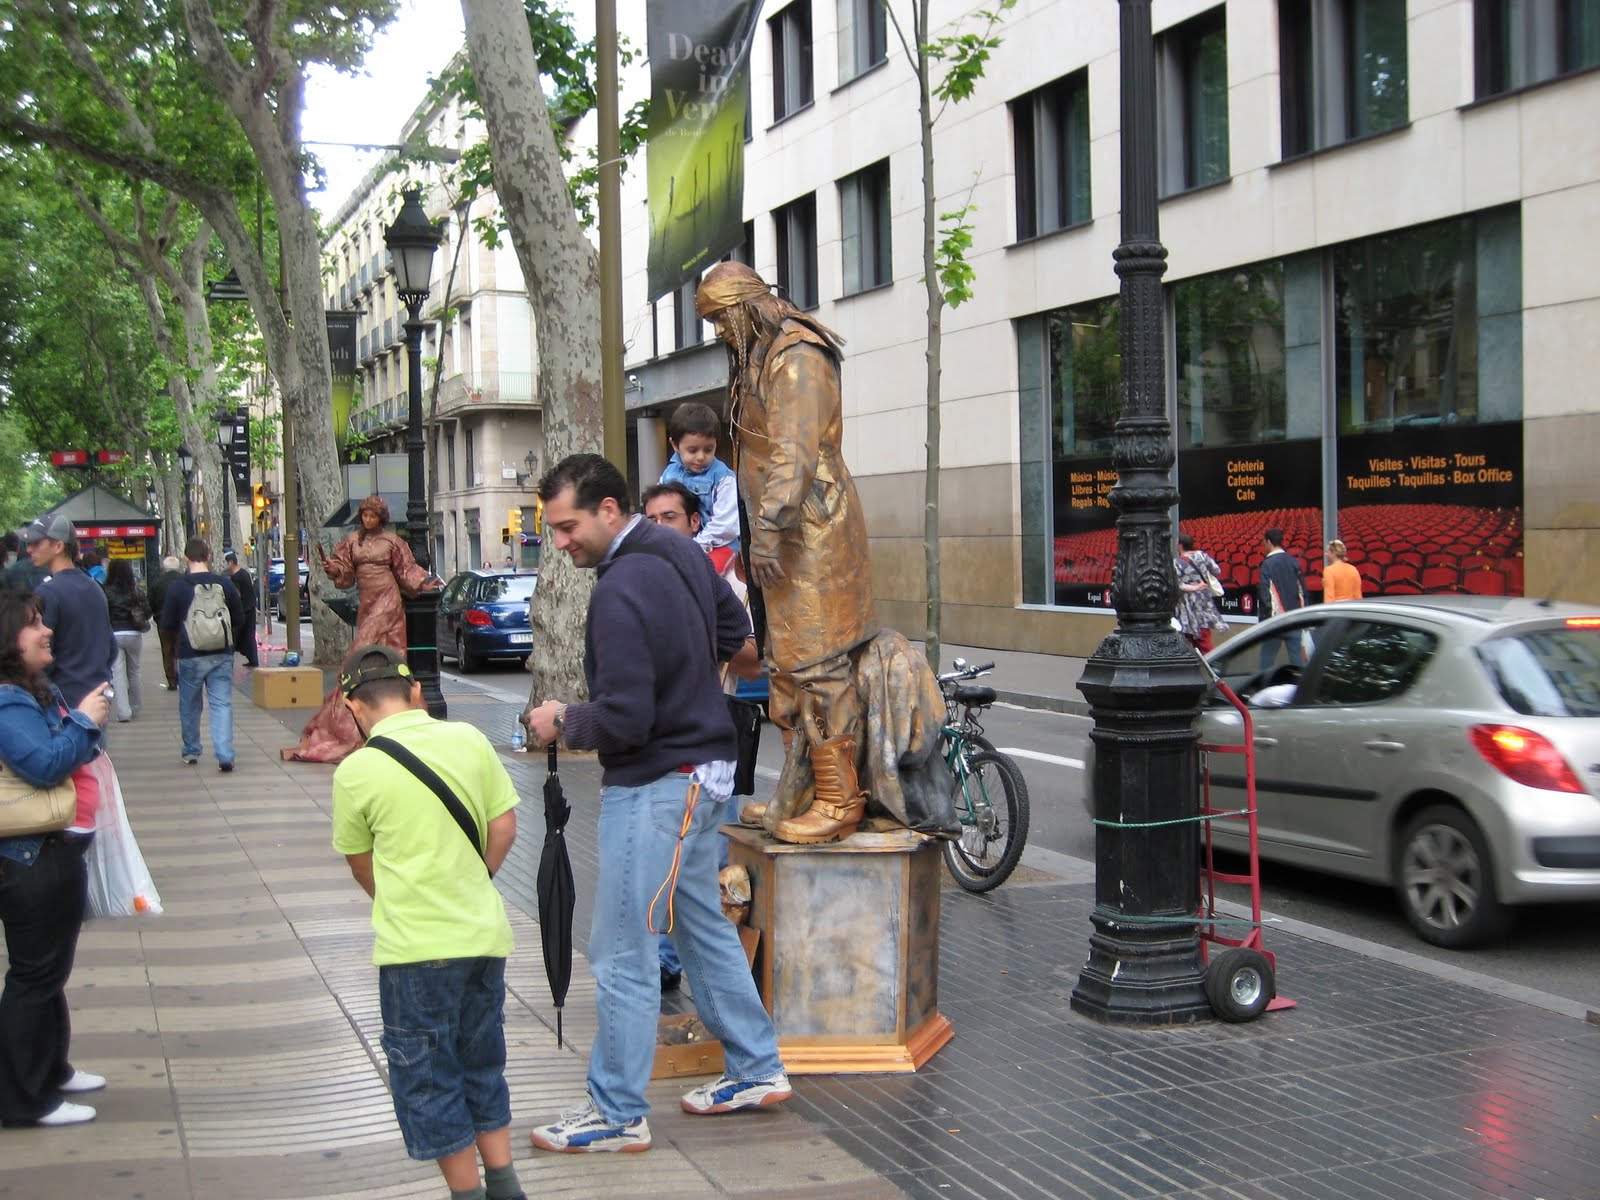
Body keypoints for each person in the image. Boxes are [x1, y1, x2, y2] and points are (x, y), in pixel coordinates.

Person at [523, 454, 790, 1153]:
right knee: (699, 925)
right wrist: (691, 685)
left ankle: (616, 1111)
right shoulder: (681, 550)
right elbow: (737, 639)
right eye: (554, 530)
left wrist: (562, 719)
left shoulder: (617, 590)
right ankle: (756, 1067)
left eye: (568, 527)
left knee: (622, 949)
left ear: (609, 509)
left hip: (657, 784)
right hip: (708, 772)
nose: (561, 543)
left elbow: (625, 720)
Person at [331, 645, 526, 1200]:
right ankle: (505, 1184)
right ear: (416, 691)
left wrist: (399, 899)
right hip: (483, 940)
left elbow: (360, 861)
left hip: (415, 952)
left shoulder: (356, 771)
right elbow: (505, 827)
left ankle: (467, 1195)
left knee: (429, 1080)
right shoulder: (468, 739)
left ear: (352, 706)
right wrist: (473, 879)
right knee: (481, 1064)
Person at [695, 261, 879, 843]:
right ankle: (801, 789)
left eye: (721, 318)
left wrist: (769, 531)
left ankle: (840, 798)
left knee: (817, 665)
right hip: (781, 536)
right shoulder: (761, 354)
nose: (719, 331)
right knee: (784, 667)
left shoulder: (796, 354)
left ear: (744, 306)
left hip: (811, 535)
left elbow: (794, 453)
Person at [639, 482, 762, 993]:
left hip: (711, 751)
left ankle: (712, 972)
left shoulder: (721, 584)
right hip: (654, 752)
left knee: (713, 866)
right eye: (651, 519)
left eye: (670, 517)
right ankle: (666, 961)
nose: (660, 527)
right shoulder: (634, 581)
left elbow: (753, 662)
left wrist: (701, 631)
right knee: (660, 867)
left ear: (695, 524)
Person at [0, 591, 112, 1128]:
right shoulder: (7, 702)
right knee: (34, 975)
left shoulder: (31, 691)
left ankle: (51, 1069)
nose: (46, 630)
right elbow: (45, 764)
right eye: (32, 624)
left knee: (48, 972)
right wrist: (84, 720)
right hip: (30, 857)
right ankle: (25, 1098)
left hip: (53, 849)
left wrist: (83, 723)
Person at [283, 496, 440, 764]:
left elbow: (405, 570)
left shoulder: (392, 542)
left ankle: (375, 696)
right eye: (365, 515)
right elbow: (345, 574)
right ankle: (364, 712)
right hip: (367, 602)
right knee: (374, 653)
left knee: (368, 651)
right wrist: (334, 569)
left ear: (381, 518)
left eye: (373, 516)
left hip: (388, 598)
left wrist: (422, 583)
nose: (368, 520)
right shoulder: (352, 541)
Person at [160, 538, 244, 772]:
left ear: (186, 558)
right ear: (209, 556)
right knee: (221, 703)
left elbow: (167, 623)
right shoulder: (224, 584)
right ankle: (225, 754)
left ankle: (191, 749)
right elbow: (239, 617)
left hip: (190, 653)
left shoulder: (178, 587)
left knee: (189, 703)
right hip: (222, 653)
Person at [28, 516, 117, 709]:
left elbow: (40, 654)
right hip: (97, 697)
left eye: (36, 543)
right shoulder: (95, 588)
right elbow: (111, 646)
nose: (29, 549)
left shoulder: (47, 592)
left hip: (62, 701)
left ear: (58, 546)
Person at [659, 402, 741, 577]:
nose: (701, 457)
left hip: (719, 545)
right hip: (682, 546)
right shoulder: (668, 474)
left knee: (703, 577)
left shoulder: (724, 478)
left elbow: (726, 525)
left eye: (708, 450)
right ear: (675, 445)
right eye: (692, 450)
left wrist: (696, 546)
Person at [102, 560, 151, 722]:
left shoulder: (105, 591)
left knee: (118, 673)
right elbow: (148, 612)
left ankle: (123, 712)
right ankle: (135, 706)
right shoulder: (136, 591)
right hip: (134, 633)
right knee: (134, 671)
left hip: (114, 633)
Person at [1256, 527, 1308, 669]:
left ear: (1268, 542)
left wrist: (1264, 622)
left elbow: (1265, 596)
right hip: (1295, 619)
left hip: (1275, 622)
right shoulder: (1294, 562)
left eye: (1264, 542)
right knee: (1297, 661)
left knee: (1266, 662)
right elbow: (1302, 592)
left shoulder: (1267, 564)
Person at [1174, 531, 1227, 654]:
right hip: (1203, 600)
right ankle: (1208, 661)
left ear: (1181, 545)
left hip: (1187, 604)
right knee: (1203, 636)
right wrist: (1203, 581)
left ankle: (1204, 662)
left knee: (1190, 638)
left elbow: (1177, 584)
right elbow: (1216, 570)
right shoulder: (1202, 556)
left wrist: (1194, 587)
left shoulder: (1177, 562)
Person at [148, 555, 184, 690]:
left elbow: (150, 602)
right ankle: (183, 676)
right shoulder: (184, 581)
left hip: (163, 621)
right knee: (182, 650)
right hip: (182, 621)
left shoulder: (157, 582)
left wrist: (156, 615)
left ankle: (171, 680)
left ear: (164, 567)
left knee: (167, 650)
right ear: (178, 567)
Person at [222, 550, 260, 668]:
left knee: (234, 635)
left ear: (231, 562)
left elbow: (237, 595)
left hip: (243, 610)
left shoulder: (236, 577)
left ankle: (228, 660)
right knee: (249, 634)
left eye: (225, 562)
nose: (224, 565)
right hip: (251, 607)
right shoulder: (244, 573)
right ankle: (253, 659)